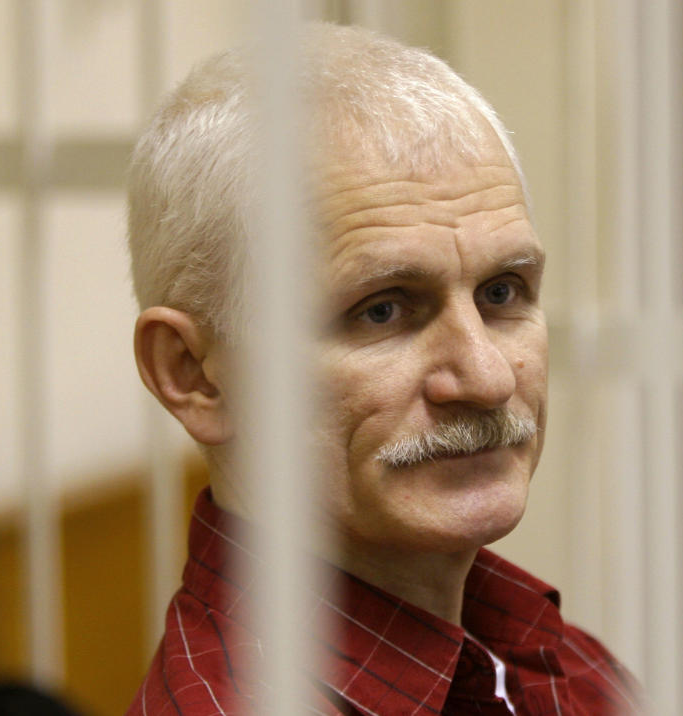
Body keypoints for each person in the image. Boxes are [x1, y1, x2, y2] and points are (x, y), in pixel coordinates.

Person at [126, 23, 641, 715]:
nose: (488, 379)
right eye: (383, 310)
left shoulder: (569, 668)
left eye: (501, 292)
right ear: (195, 374)